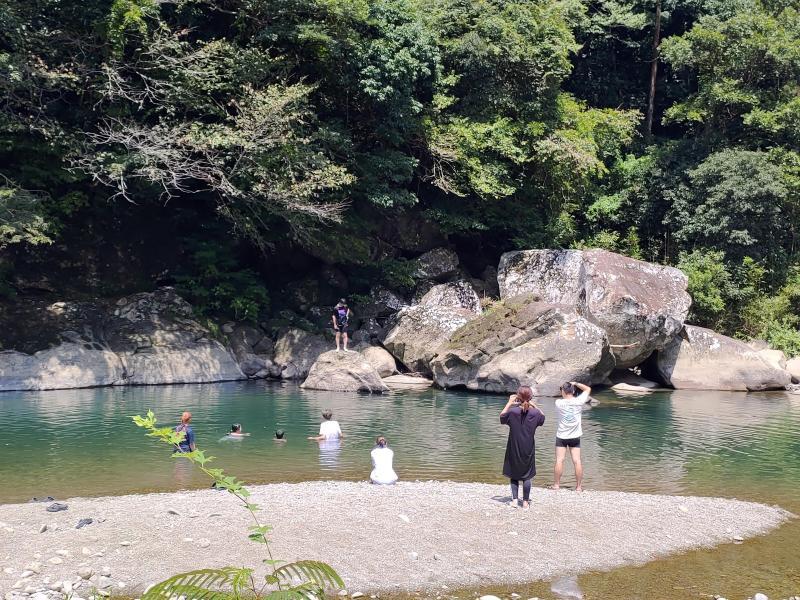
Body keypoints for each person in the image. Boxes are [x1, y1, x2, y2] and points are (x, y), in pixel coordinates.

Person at [500, 386, 545, 509]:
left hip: (514, 446)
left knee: (514, 474)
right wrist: (534, 405)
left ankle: (514, 500)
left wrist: (509, 403)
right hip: (528, 447)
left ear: (517, 397)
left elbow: (502, 417)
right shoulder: (535, 413)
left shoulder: (513, 412)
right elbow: (543, 417)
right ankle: (525, 502)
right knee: (527, 475)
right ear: (530, 398)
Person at [553, 381, 593, 492]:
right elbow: (587, 389)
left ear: (563, 391)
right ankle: (579, 487)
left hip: (561, 436)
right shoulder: (579, 401)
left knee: (559, 460)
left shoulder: (558, 403)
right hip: (575, 436)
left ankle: (556, 485)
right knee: (577, 461)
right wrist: (575, 383)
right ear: (573, 391)